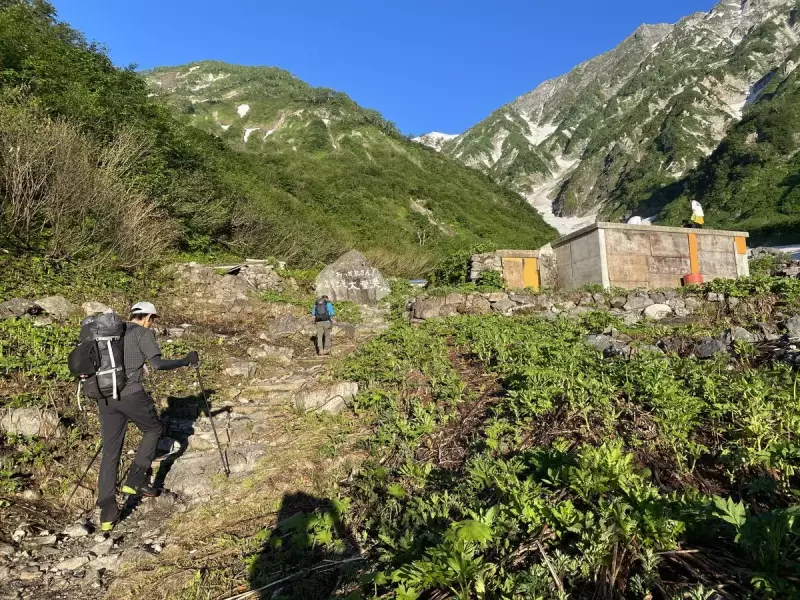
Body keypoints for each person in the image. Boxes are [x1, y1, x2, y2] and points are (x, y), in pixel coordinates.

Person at [96, 301, 198, 531]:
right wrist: (186, 360)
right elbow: (157, 364)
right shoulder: (142, 333)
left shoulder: (111, 333)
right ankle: (135, 478)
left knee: (110, 452)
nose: (152, 324)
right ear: (147, 317)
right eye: (153, 320)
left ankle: (107, 514)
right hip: (131, 394)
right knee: (154, 429)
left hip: (105, 398)